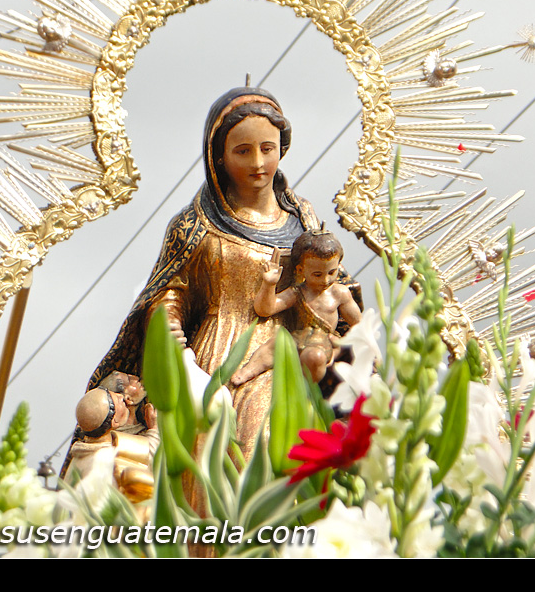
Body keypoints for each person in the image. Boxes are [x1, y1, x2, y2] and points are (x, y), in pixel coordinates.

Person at [80, 86, 352, 464]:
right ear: (219, 157)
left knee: (294, 456)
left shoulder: (303, 218)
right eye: (243, 151)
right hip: (223, 354)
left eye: (267, 148)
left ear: (282, 148)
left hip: (292, 353)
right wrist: (166, 321)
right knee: (237, 455)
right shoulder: (194, 225)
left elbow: (334, 281)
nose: (258, 162)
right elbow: (169, 290)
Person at [231, 229, 362, 385]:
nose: (326, 280)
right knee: (274, 344)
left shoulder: (340, 293)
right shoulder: (297, 293)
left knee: (313, 356)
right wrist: (269, 284)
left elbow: (359, 324)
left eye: (332, 272)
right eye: (318, 274)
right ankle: (249, 371)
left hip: (323, 341)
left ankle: (304, 389)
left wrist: (341, 346)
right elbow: (265, 310)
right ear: (301, 270)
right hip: (298, 337)